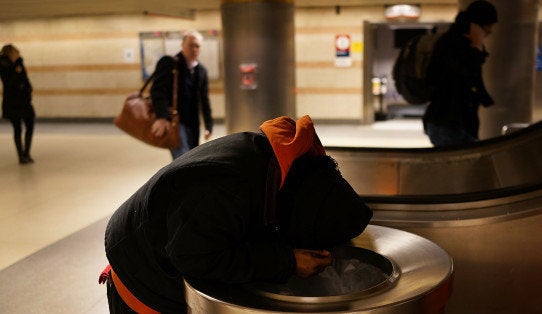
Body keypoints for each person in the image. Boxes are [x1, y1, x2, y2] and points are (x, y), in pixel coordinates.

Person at [100, 115, 373, 313]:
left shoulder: (283, 173)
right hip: (144, 272)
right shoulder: (226, 191)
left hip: (173, 234)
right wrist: (287, 262)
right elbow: (194, 257)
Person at [422, 0, 498, 147]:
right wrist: (476, 47)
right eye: (488, 25)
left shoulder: (463, 43)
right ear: (475, 25)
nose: (490, 31)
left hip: (455, 124)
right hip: (447, 124)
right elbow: (464, 75)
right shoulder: (451, 44)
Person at [150, 30, 213, 160]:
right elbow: (157, 90)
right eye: (191, 45)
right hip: (175, 121)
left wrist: (208, 125)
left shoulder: (201, 70)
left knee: (193, 155)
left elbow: (204, 99)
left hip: (193, 122)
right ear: (182, 45)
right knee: (182, 158)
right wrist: (161, 117)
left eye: (197, 46)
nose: (194, 49)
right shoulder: (169, 63)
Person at [1, 44, 36, 164]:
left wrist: (29, 88)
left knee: (30, 124)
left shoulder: (19, 64)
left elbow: (25, 79)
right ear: (10, 53)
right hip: (12, 102)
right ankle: (21, 156)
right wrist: (16, 72)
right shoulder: (4, 65)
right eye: (16, 52)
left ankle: (26, 153)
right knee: (17, 128)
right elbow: (10, 83)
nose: (18, 53)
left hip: (24, 101)